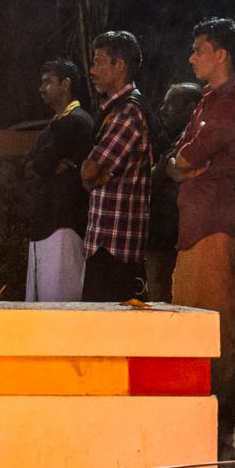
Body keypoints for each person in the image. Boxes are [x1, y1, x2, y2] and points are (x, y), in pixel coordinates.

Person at [168, 17, 235, 456]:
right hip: (194, 227)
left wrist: (189, 165)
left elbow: (189, 157)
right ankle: (195, 432)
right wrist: (186, 165)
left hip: (215, 225)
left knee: (218, 332)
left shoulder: (234, 103)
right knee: (189, 331)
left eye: (199, 49)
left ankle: (222, 437)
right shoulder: (206, 102)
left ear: (221, 54)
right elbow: (177, 160)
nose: (191, 58)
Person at [80, 30, 152, 301]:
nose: (92, 70)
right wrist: (92, 176)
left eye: (98, 61)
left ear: (119, 65)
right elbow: (91, 175)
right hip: (106, 242)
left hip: (115, 247)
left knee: (106, 335)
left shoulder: (128, 111)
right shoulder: (114, 110)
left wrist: (92, 176)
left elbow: (89, 171)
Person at [24, 62, 93, 302]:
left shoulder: (77, 121)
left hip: (64, 226)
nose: (41, 88)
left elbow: (38, 164)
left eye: (47, 81)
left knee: (59, 306)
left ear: (66, 85)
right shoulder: (54, 126)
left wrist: (42, 165)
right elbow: (27, 167)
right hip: (47, 225)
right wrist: (44, 165)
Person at [144, 82, 202, 302]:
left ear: (192, 107)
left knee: (167, 304)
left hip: (174, 241)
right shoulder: (174, 142)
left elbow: (151, 183)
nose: (162, 109)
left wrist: (160, 170)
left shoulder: (193, 143)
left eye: (170, 104)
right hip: (164, 239)